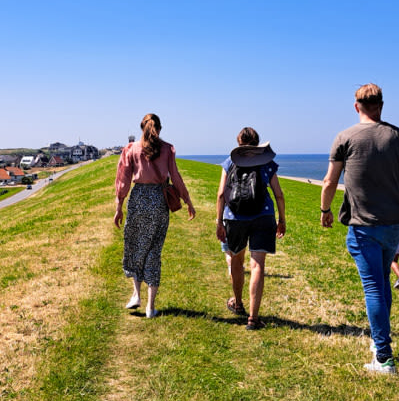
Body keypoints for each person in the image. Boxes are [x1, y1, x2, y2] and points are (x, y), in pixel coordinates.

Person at [320, 84, 399, 375]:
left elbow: (329, 181)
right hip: (394, 223)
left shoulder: (345, 137)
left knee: (374, 288)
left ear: (356, 106)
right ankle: (380, 342)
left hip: (363, 225)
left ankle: (384, 356)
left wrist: (325, 210)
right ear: (381, 105)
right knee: (380, 283)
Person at [114, 113, 195, 317]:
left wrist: (118, 207)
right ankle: (150, 306)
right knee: (153, 249)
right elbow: (175, 177)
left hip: (138, 199)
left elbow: (123, 182)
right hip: (159, 200)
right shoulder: (167, 149)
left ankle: (136, 295)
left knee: (135, 246)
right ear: (159, 128)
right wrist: (187, 201)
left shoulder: (131, 149)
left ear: (142, 128)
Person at [214, 128, 286, 330]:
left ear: (238, 142)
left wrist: (219, 222)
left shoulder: (230, 162)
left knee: (237, 261)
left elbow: (221, 194)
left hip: (234, 217)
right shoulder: (267, 163)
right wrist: (282, 219)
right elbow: (278, 194)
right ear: (257, 143)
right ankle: (253, 319)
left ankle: (238, 304)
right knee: (257, 265)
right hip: (263, 216)